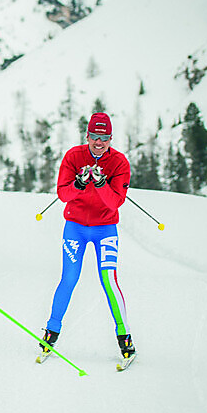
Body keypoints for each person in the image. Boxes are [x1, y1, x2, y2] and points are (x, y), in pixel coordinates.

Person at [40, 112, 136, 363]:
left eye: (104, 138)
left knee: (108, 280)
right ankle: (51, 333)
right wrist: (80, 184)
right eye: (95, 136)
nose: (99, 143)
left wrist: (102, 183)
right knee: (69, 278)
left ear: (111, 139)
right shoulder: (74, 156)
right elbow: (63, 194)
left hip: (105, 228)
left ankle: (125, 339)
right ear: (87, 136)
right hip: (76, 227)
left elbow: (116, 202)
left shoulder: (119, 163)